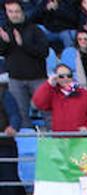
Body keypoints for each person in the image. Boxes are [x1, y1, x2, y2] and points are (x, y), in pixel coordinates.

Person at [0, 0, 51, 129]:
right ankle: (27, 147)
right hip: (16, 80)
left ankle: (56, 143)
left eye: (16, 11)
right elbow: (3, 52)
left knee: (48, 113)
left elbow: (44, 52)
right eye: (10, 11)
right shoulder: (4, 31)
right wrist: (5, 42)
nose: (14, 15)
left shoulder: (35, 30)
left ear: (22, 12)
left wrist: (23, 44)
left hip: (38, 78)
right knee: (21, 117)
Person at [33, 64, 87, 132]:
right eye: (61, 76)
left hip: (82, 140)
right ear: (56, 78)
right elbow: (39, 103)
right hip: (60, 141)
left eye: (69, 75)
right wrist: (48, 85)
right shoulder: (53, 94)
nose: (66, 78)